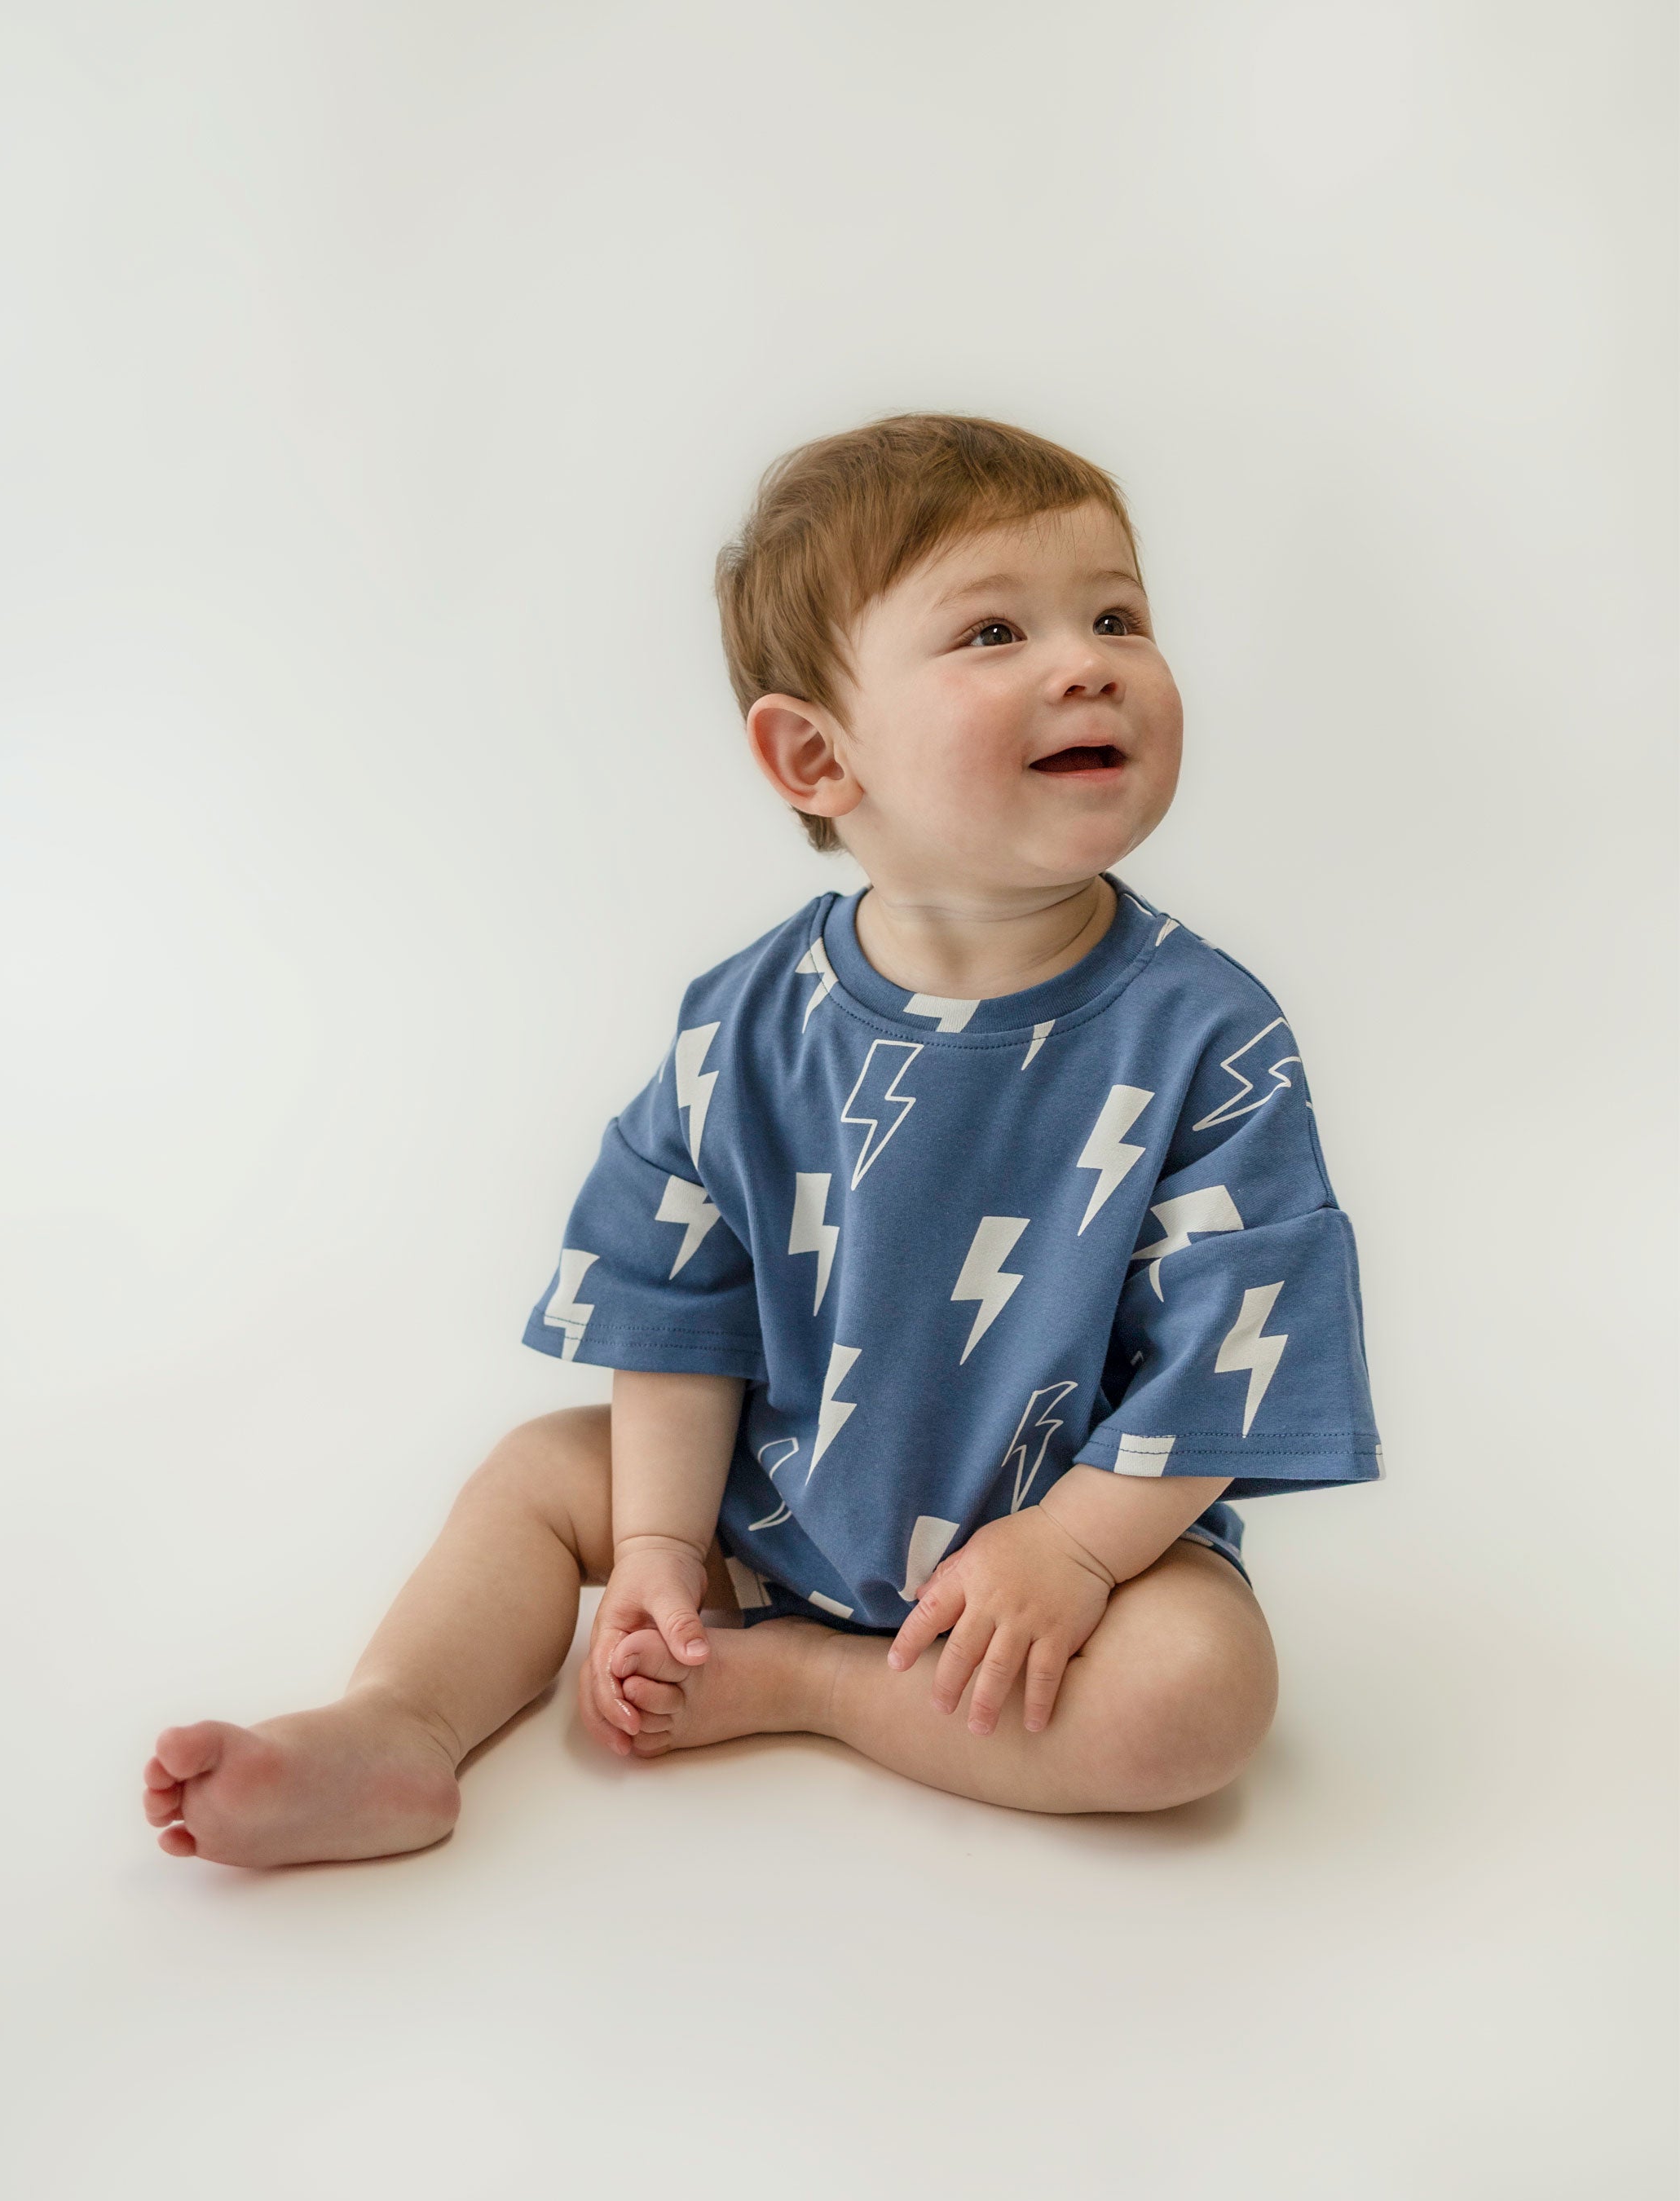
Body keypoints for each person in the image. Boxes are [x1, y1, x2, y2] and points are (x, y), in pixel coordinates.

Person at [142, 413, 1382, 1865]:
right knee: (539, 1474)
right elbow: (674, 1296)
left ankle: (814, 1687)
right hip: (770, 1490)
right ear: (815, 754)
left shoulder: (1206, 1035)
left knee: (1199, 1698)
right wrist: (663, 1546)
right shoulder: (746, 1022)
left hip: (1057, 1550)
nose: (1087, 662)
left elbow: (1238, 1348)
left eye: (1116, 616)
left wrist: (1074, 1549)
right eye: (994, 631)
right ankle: (398, 1725)